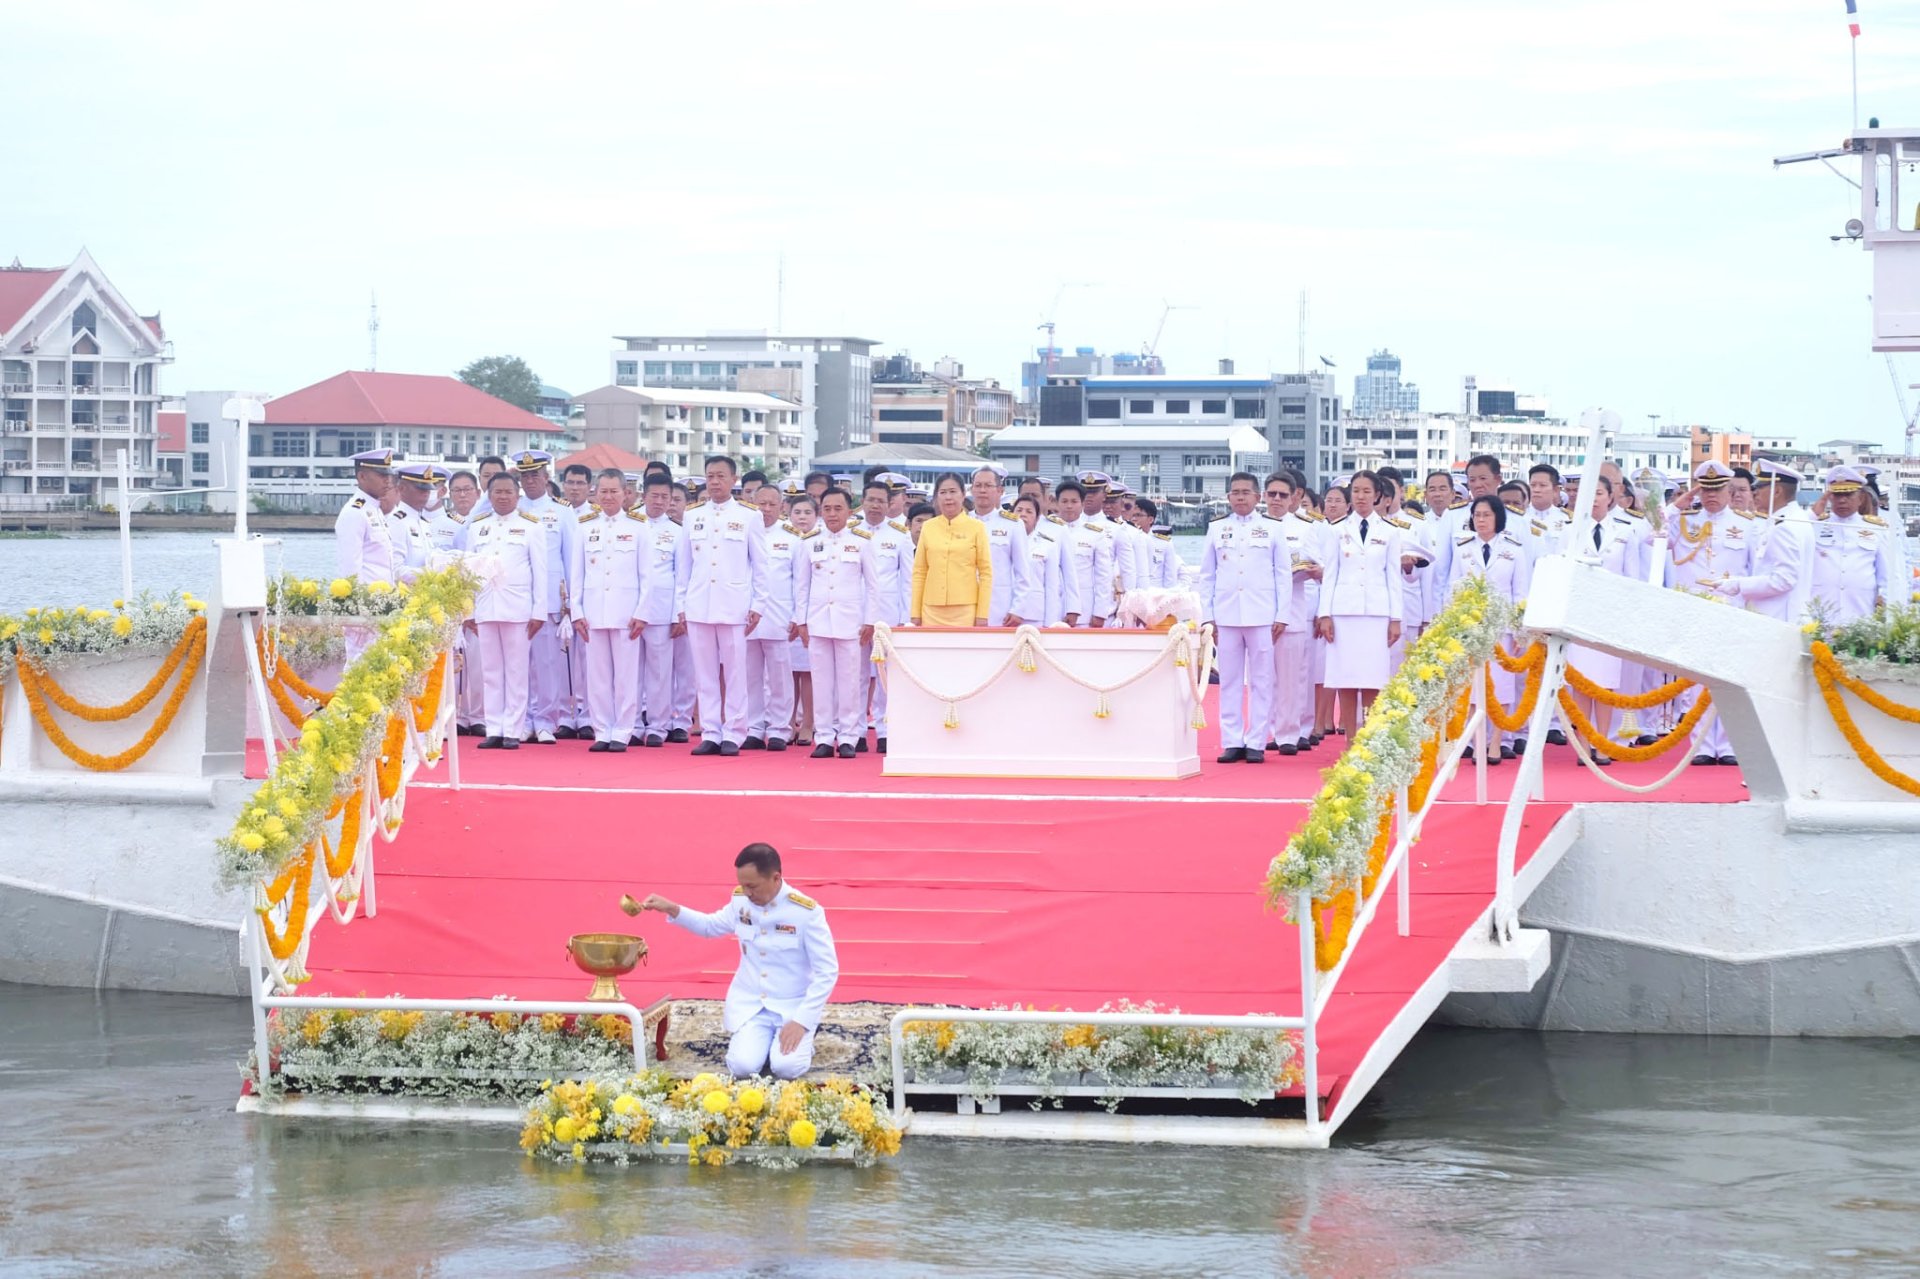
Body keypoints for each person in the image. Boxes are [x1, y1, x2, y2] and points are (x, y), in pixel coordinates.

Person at [637, 843, 838, 1080]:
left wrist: (802, 1021)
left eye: (752, 886)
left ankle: (805, 1037)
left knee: (786, 1068)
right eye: (743, 885)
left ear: (776, 878)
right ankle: (762, 1042)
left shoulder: (806, 912)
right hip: (753, 1006)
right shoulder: (741, 901)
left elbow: (827, 971)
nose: (747, 892)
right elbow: (709, 926)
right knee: (742, 1067)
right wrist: (671, 908)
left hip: (791, 1008)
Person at [674, 456, 769, 757]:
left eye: (720, 476)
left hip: (734, 604)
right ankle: (711, 731)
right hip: (699, 603)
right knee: (704, 673)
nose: (714, 482)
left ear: (733, 479)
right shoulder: (692, 515)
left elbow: (761, 564)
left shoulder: (748, 515)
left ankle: (735, 732)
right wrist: (681, 604)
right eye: (710, 476)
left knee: (735, 672)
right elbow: (683, 565)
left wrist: (758, 603)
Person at [1201, 472, 1288, 764]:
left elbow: (1282, 574)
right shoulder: (1216, 529)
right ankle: (1232, 740)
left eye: (1245, 492)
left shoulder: (1272, 529)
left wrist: (1282, 613)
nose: (1240, 497)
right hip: (1226, 614)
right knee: (1230, 681)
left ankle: (1256, 742)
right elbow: (1207, 576)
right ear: (1228, 497)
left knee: (1262, 681)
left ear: (1257, 497)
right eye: (1235, 492)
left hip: (1262, 613)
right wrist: (1207, 616)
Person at [458, 472, 548, 750]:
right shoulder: (478, 527)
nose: (503, 496)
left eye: (509, 492)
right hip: (486, 607)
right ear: (489, 495)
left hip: (518, 608)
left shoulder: (531, 526)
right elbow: (468, 570)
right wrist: (468, 610)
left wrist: (539, 611)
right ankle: (494, 728)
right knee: (491, 672)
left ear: (517, 495)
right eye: (497, 492)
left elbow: (540, 572)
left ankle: (514, 729)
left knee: (517, 671)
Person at [1316, 470, 1404, 734]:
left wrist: (1396, 619)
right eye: (1356, 491)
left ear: (1378, 495)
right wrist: (1325, 615)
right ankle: (1350, 741)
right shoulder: (1336, 529)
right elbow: (1329, 574)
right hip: (1344, 613)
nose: (1361, 496)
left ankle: (1369, 736)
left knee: (1373, 679)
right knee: (1345, 677)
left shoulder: (1390, 531)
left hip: (1377, 615)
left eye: (1367, 491)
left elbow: (1393, 578)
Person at [1449, 494, 1532, 762]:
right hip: (1471, 627)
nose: (1481, 520)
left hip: (1501, 628)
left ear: (1498, 517)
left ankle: (1496, 742)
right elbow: (1453, 589)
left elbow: (1521, 593)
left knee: (1501, 686)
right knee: (1473, 687)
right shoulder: (1463, 548)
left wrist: (1520, 629)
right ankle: (1475, 741)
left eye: (1486, 515)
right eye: (1477, 515)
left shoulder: (1514, 549)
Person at [568, 470, 647, 753]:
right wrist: (575, 611)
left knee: (626, 677)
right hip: (593, 612)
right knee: (597, 676)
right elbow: (576, 574)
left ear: (625, 494)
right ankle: (602, 729)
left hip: (627, 615)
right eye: (603, 491)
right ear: (595, 493)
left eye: (614, 491)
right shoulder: (584, 526)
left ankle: (623, 731)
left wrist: (642, 612)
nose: (608, 497)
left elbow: (646, 576)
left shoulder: (640, 527)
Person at [794, 488, 872, 759]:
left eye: (838, 508)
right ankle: (825, 736)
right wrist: (801, 621)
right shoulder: (809, 541)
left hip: (850, 621)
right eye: (827, 508)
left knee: (850, 681)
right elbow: (801, 586)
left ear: (849, 511)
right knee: (821, 680)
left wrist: (870, 620)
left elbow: (873, 586)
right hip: (818, 621)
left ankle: (849, 736)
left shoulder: (862, 541)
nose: (832, 514)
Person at [1713, 460, 1815, 625]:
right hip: (1789, 616)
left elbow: (1783, 580)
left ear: (1777, 491)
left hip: (1778, 619)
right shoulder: (1797, 518)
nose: (1755, 494)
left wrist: (1738, 584)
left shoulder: (1784, 526)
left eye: (1760, 488)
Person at [513, 451, 569, 745]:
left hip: (548, 600)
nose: (530, 480)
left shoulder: (562, 511)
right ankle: (522, 720)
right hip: (518, 599)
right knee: (519, 665)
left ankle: (546, 720)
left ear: (547, 477)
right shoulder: (512, 507)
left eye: (536, 474)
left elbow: (570, 560)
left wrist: (570, 604)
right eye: (524, 475)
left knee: (547, 665)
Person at [626, 473, 683, 748]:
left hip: (661, 610)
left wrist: (677, 614)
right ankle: (634, 724)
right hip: (630, 610)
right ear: (643, 496)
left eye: (665, 497)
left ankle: (659, 726)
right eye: (654, 496)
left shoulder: (676, 531)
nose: (659, 502)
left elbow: (680, 576)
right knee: (631, 672)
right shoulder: (630, 524)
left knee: (660, 672)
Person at [742, 484, 800, 751]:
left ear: (782, 507)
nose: (765, 510)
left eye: (771, 505)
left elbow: (801, 582)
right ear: (752, 503)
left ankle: (779, 728)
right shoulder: (741, 530)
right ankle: (754, 727)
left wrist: (799, 616)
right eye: (760, 504)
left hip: (779, 615)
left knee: (779, 676)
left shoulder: (792, 537)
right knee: (750, 676)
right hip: (746, 615)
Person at [857, 479, 913, 751]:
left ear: (890, 504)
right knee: (854, 676)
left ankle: (884, 730)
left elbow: (907, 581)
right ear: (863, 501)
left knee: (884, 677)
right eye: (871, 500)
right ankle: (854, 730)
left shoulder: (899, 534)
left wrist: (905, 617)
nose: (875, 505)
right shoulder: (851, 531)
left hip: (888, 616)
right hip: (855, 615)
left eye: (881, 501)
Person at [1809, 464, 1899, 626]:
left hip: (1861, 618)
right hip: (1821, 617)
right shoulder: (1815, 526)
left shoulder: (1877, 530)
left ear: (1860, 498)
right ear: (1830, 497)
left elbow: (1887, 577)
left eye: (1849, 494)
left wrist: (1885, 609)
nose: (1842, 500)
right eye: (1836, 495)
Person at [912, 473, 993, 629]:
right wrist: (915, 613)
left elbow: (985, 573)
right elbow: (920, 571)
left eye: (953, 491)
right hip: (931, 609)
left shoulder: (977, 527)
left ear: (963, 495)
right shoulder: (928, 527)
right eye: (942, 493)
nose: (948, 497)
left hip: (965, 609)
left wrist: (982, 614)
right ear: (936, 497)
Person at [969, 466, 1031, 626]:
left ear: (1000, 490)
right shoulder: (961, 521)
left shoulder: (1013, 524)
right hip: (965, 604)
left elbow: (1023, 572)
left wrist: (1018, 609)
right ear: (971, 489)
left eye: (988, 486)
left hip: (998, 607)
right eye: (978, 485)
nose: (982, 490)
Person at [784, 495, 820, 746]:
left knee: (807, 674)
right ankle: (787, 722)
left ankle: (808, 722)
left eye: (808, 512)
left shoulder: (819, 542)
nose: (802, 517)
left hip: (808, 616)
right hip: (783, 615)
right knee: (787, 674)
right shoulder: (781, 540)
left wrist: (802, 618)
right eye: (797, 512)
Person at [1053, 479, 1110, 628]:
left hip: (1084, 612)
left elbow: (1103, 577)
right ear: (1056, 503)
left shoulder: (1094, 534)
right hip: (1051, 608)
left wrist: (1100, 612)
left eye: (1074, 501)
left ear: (1082, 504)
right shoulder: (1046, 531)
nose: (1069, 506)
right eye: (1064, 501)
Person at [1013, 493, 1064, 625]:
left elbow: (1052, 587)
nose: (1023, 514)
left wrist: (1050, 623)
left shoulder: (1047, 545)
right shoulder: (1001, 542)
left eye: (1029, 511)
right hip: (1005, 611)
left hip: (1034, 614)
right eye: (1019, 510)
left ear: (1036, 519)